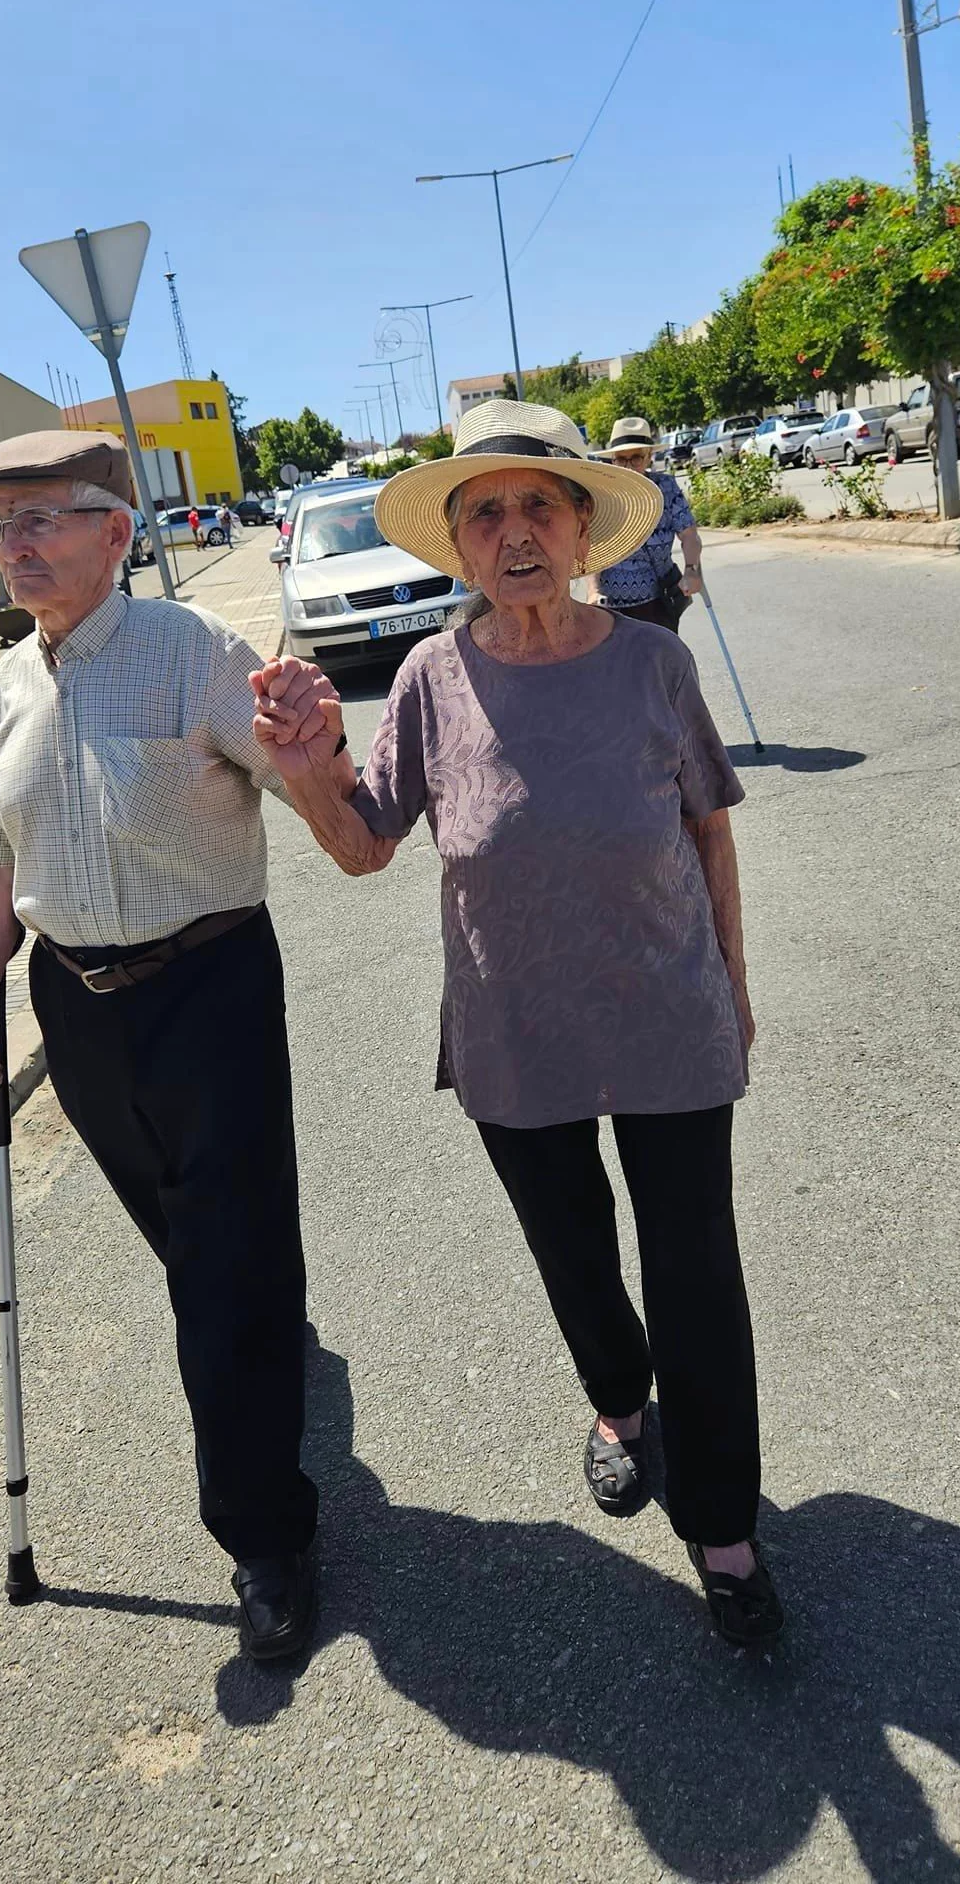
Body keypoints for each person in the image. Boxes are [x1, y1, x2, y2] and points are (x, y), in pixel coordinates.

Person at [252, 400, 783, 1649]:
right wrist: (306, 760)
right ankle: (619, 1402)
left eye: (538, 503)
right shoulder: (435, 678)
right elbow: (365, 845)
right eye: (483, 512)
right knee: (576, 1256)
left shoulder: (653, 663)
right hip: (513, 1026)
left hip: (667, 1010)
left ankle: (722, 1524)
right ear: (459, 546)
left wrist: (736, 981)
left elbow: (709, 822)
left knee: (696, 1269)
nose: (514, 530)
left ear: (586, 526)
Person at [0, 428, 318, 1662]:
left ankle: (263, 1534)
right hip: (78, 1006)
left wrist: (319, 736)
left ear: (118, 529)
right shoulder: (3, 688)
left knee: (225, 1264)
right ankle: (256, 1336)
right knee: (187, 1242)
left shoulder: (195, 652)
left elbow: (314, 783)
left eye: (43, 516)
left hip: (209, 984)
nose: (17, 545)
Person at [591, 416, 703, 634]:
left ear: (649, 457)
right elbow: (591, 547)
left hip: (659, 600)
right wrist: (593, 591)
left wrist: (692, 571)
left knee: (660, 663)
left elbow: (689, 535)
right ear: (613, 460)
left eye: (636, 458)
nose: (629, 465)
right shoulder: (603, 495)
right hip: (613, 607)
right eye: (622, 459)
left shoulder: (666, 488)